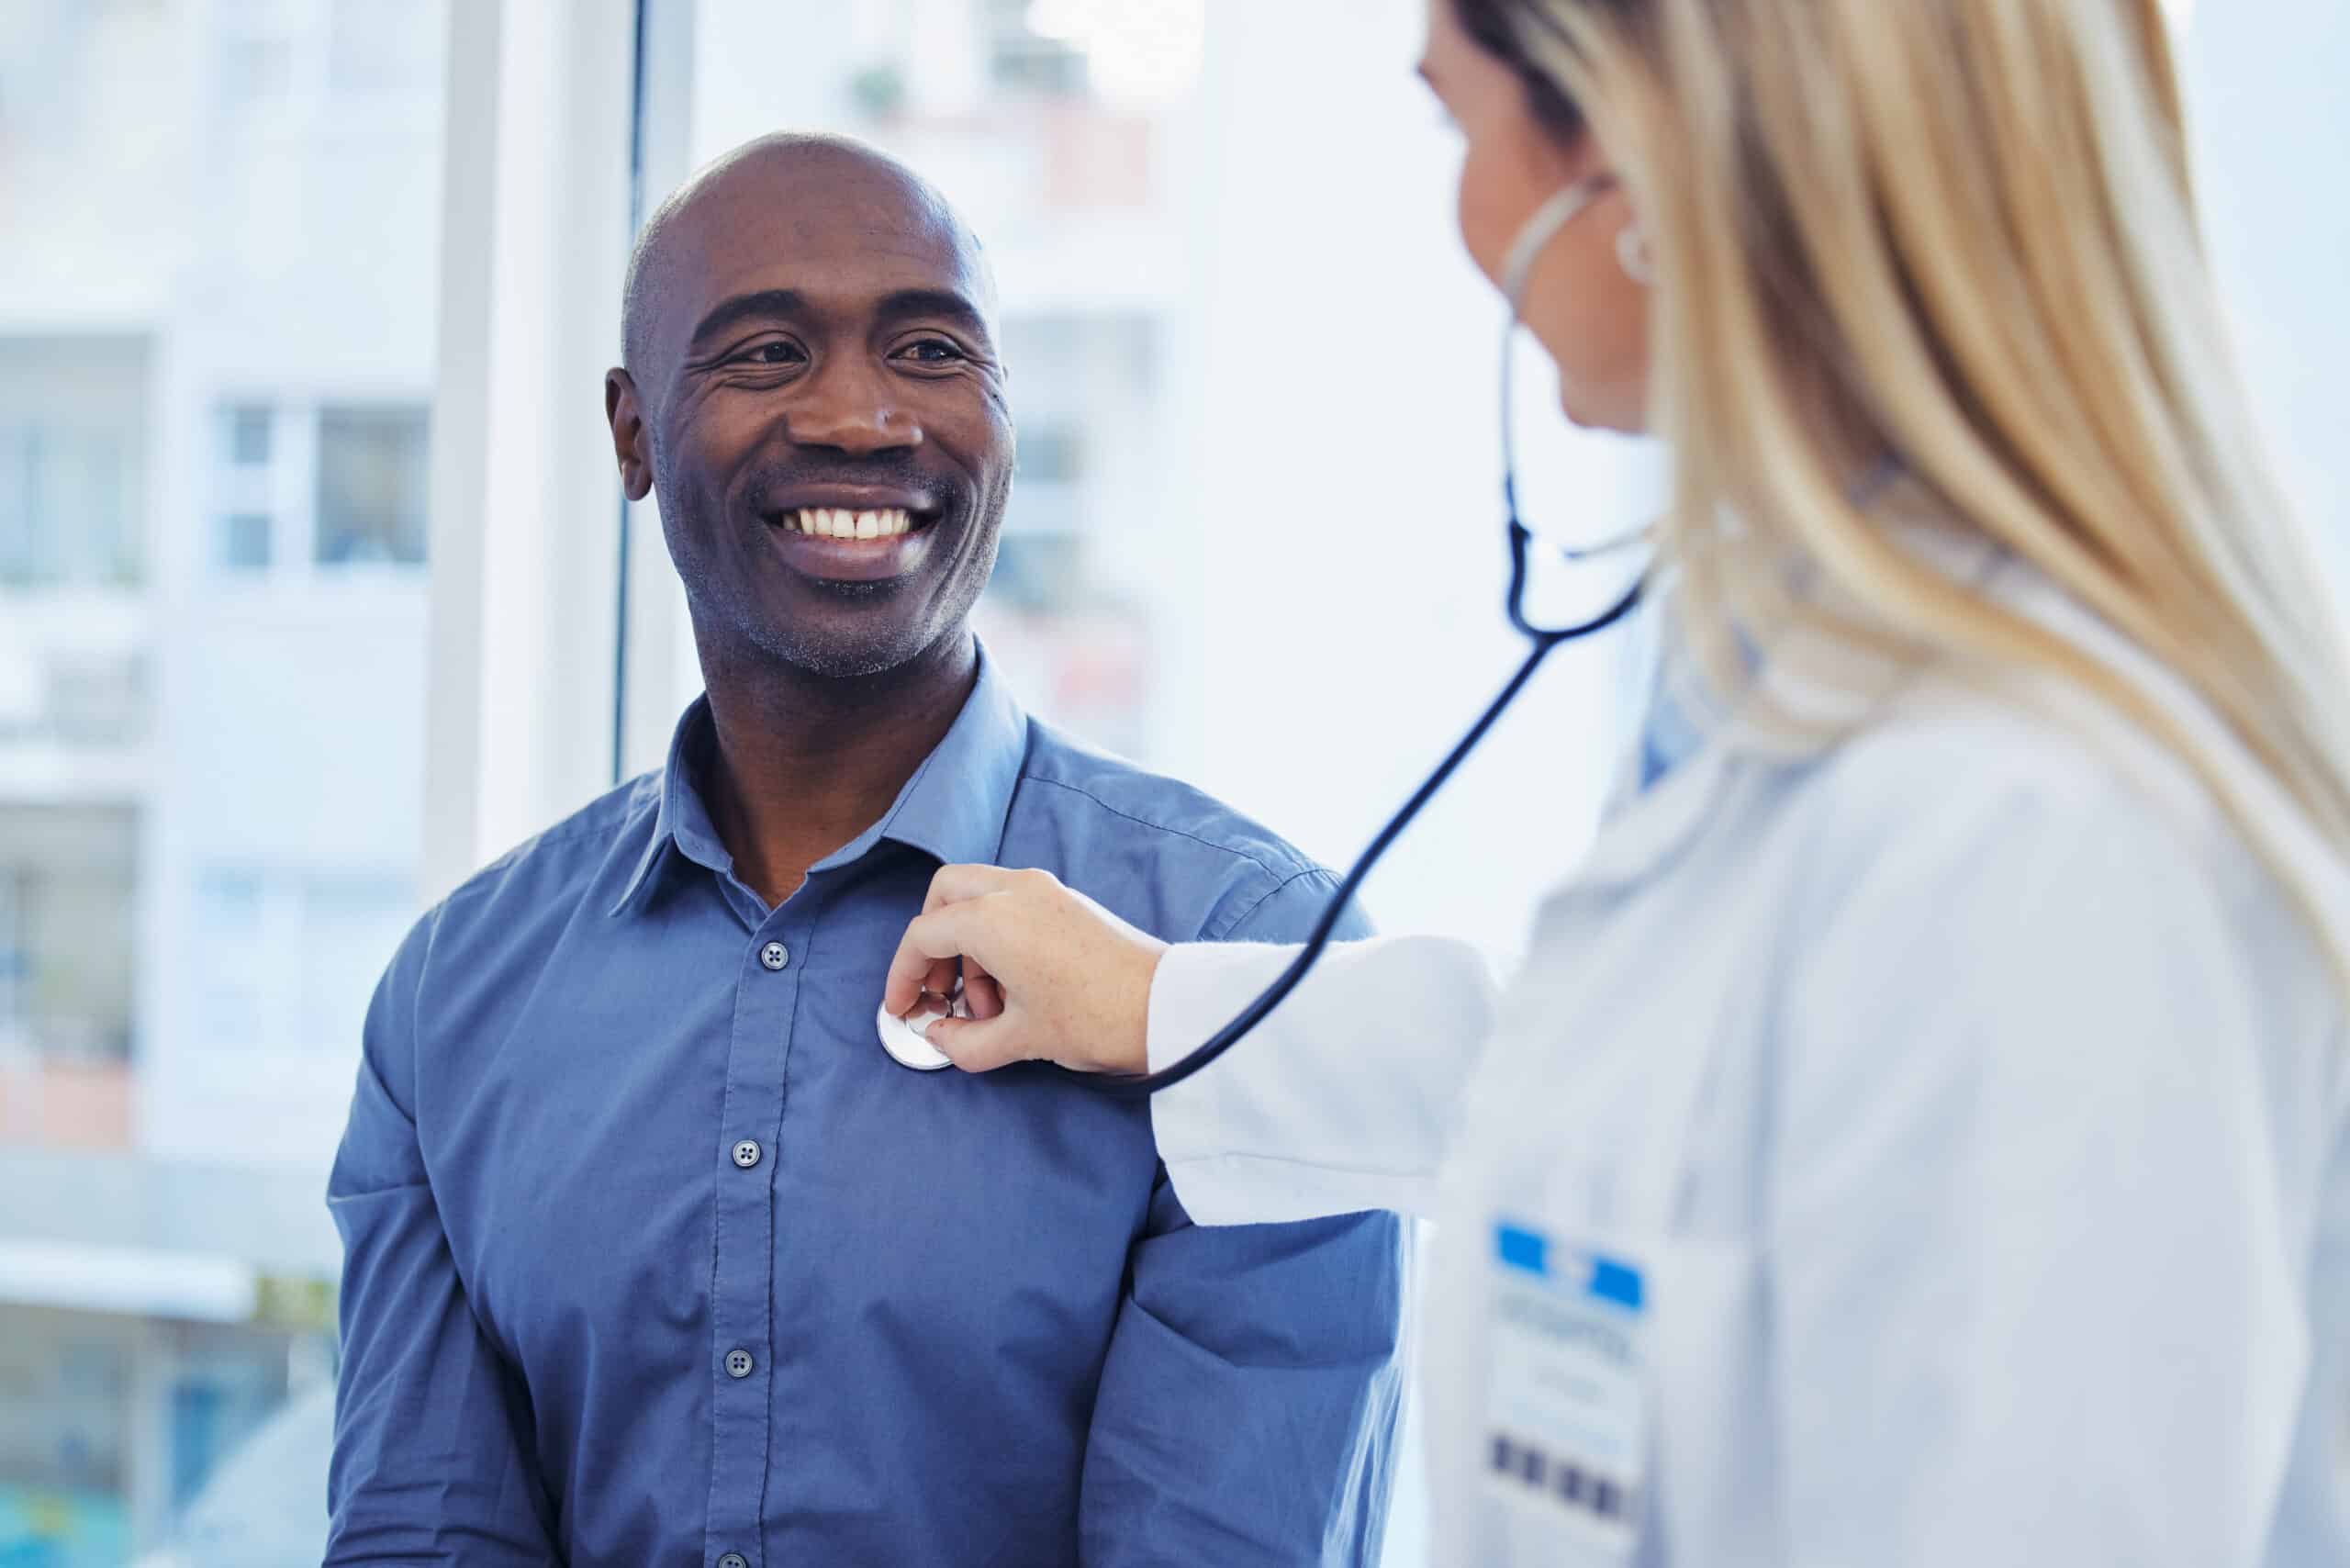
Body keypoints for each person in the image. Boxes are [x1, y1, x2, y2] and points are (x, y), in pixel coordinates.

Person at [884, 2, 2350, 1562]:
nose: (1467, 228)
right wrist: (1161, 1006)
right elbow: (1690, 1081)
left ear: (1645, 157)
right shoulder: (1827, 711)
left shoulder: (2041, 838)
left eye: (1460, 126)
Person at [325, 134, 1407, 1567]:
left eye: (931, 350)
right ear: (633, 431)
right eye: (767, 354)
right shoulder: (456, 997)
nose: (860, 417)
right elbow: (422, 1538)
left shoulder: (1252, 970)